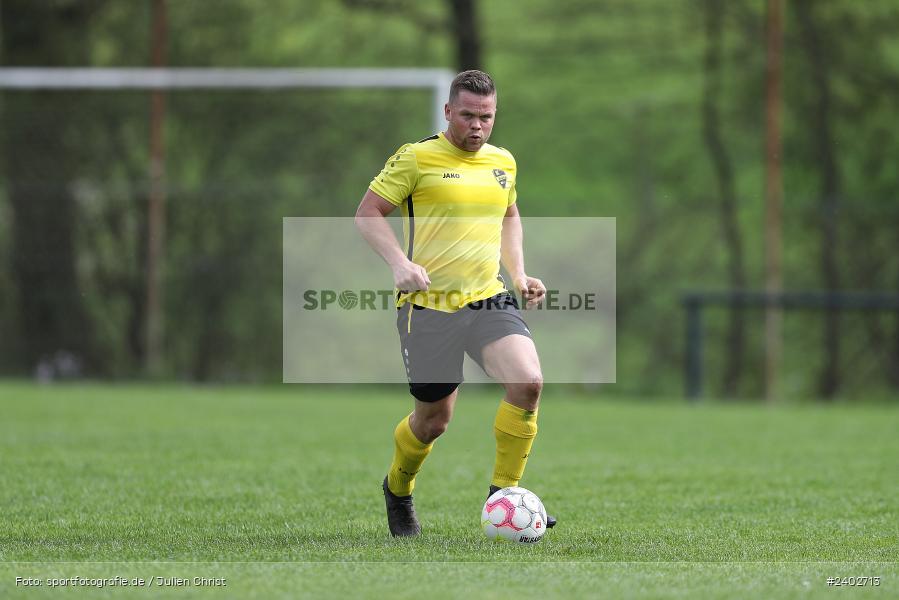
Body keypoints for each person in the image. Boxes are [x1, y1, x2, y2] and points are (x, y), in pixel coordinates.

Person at [354, 69, 555, 536]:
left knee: (528, 383)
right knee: (433, 422)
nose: (477, 126)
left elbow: (509, 217)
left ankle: (503, 496)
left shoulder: (504, 162)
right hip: (427, 307)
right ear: (448, 112)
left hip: (487, 299)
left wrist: (520, 274)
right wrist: (399, 264)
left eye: (486, 117)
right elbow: (367, 214)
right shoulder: (416, 158)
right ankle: (398, 490)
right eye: (467, 115)